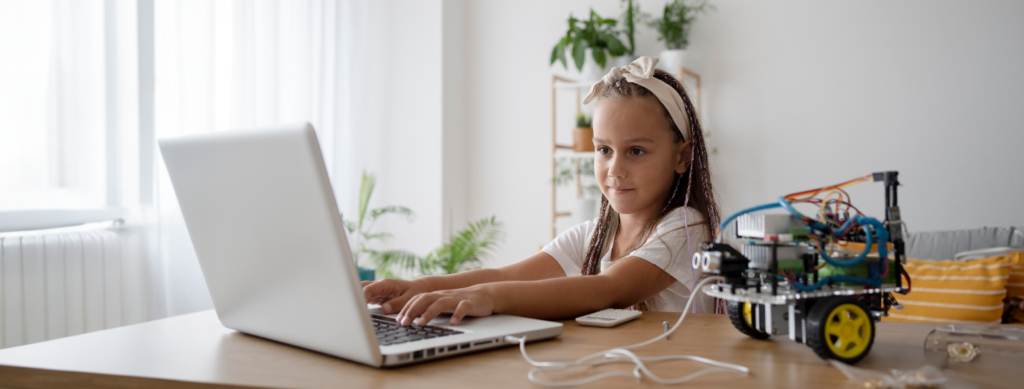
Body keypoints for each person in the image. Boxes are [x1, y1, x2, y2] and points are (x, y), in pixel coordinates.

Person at [362, 56, 720, 327]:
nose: (615, 170)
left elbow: (607, 289)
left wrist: (487, 298)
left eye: (636, 151)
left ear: (681, 156)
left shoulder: (686, 227)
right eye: (603, 150)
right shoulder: (596, 235)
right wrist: (420, 285)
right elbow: (505, 276)